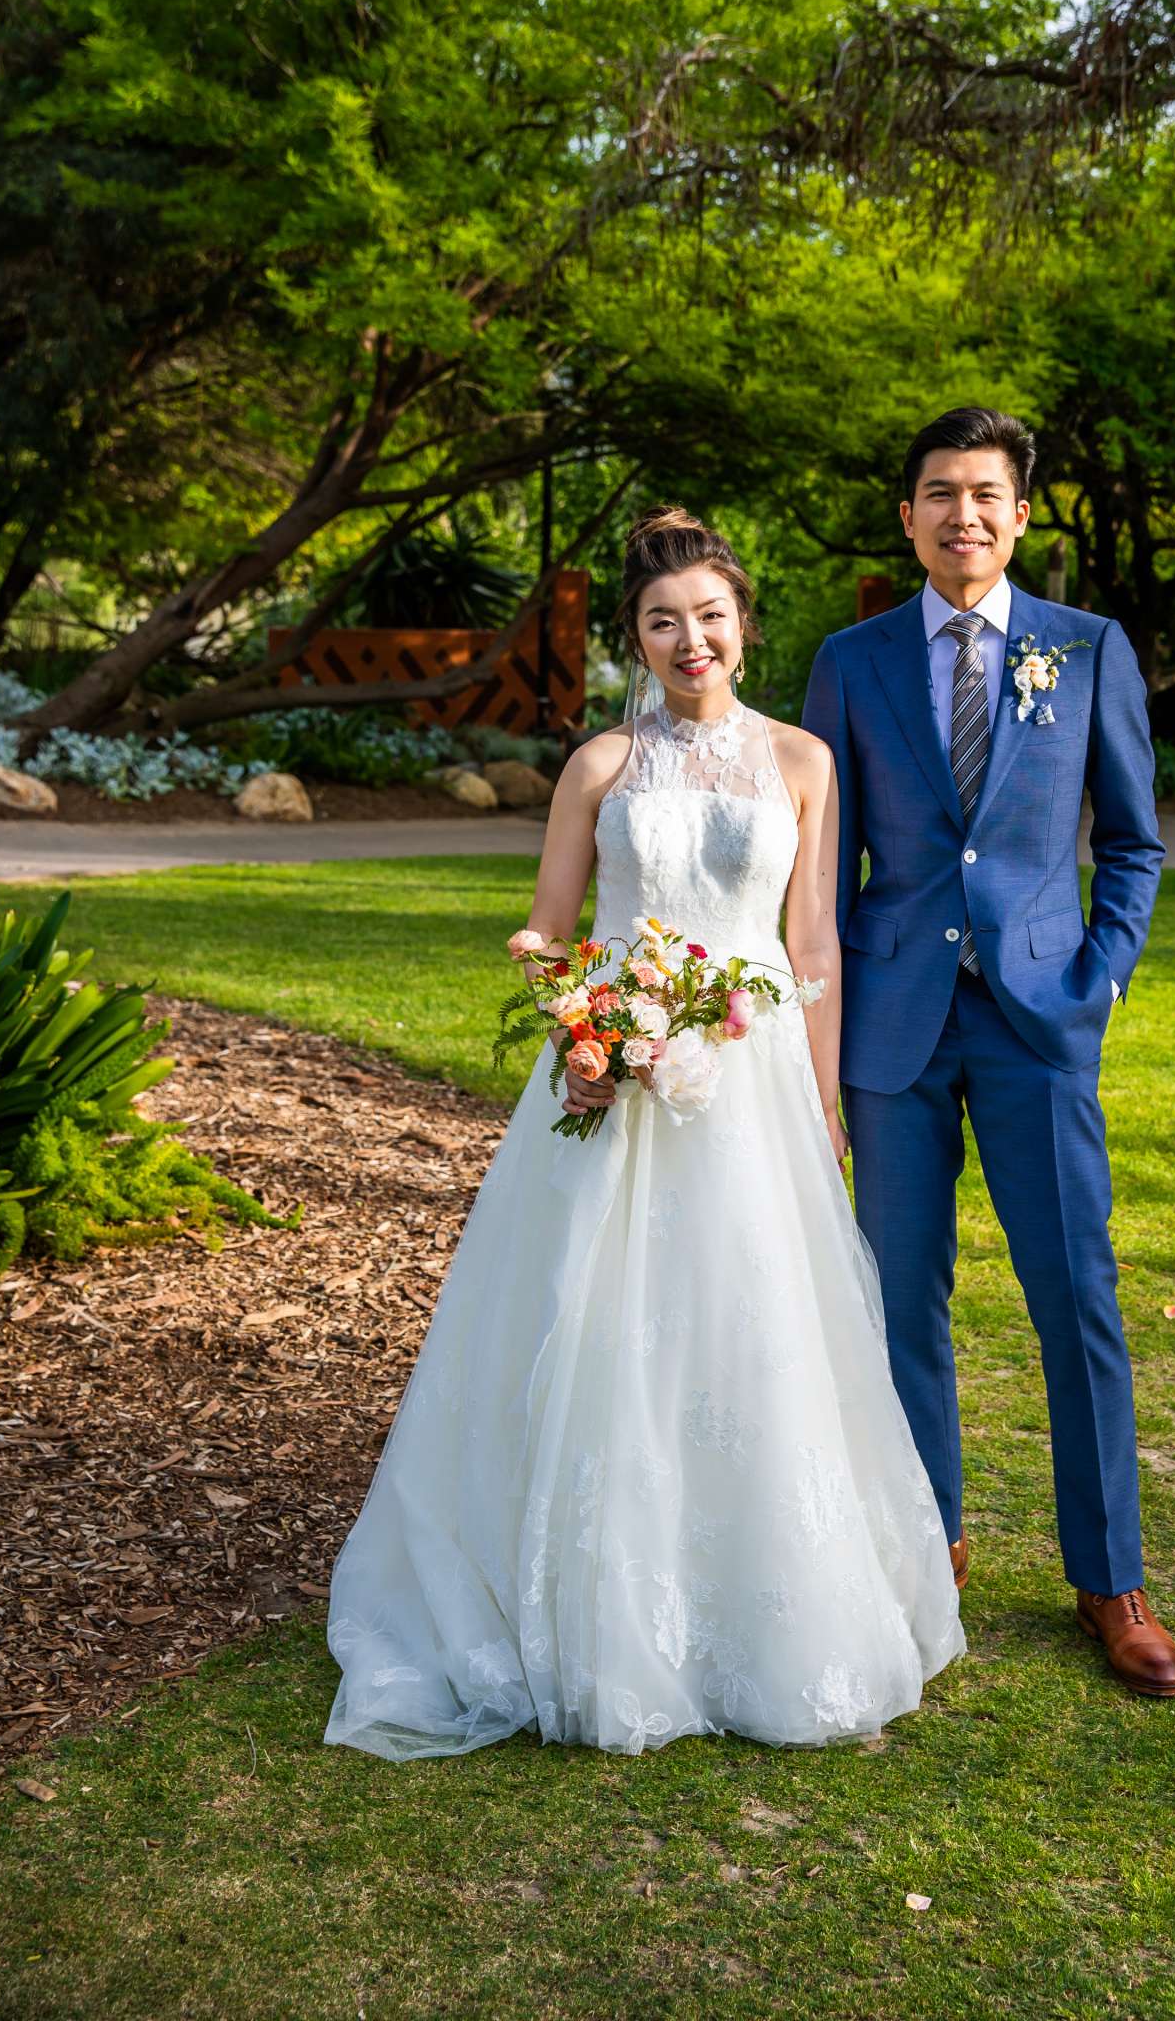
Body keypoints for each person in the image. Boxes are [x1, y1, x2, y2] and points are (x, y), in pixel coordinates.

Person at [322, 507, 964, 1761]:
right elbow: (547, 930)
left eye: (710, 617)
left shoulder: (800, 764)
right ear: (636, 638)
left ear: (743, 624)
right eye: (663, 623)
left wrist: (822, 1102)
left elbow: (813, 944)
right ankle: (572, 1600)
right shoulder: (600, 769)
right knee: (588, 1320)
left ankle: (755, 1605)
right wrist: (581, 1029)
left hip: (750, 1080)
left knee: (751, 1328)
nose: (691, 640)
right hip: (602, 1083)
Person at [802, 407, 1175, 1696]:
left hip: (1040, 1024)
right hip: (893, 1027)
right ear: (904, 516)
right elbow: (821, 872)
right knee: (898, 1298)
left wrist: (1100, 981)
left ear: (1021, 514)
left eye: (985, 494)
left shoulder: (1087, 651)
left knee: (1073, 1295)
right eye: (936, 493)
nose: (962, 514)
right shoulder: (848, 665)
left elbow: (1131, 840)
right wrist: (813, 1029)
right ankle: (927, 1549)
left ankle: (1109, 1577)